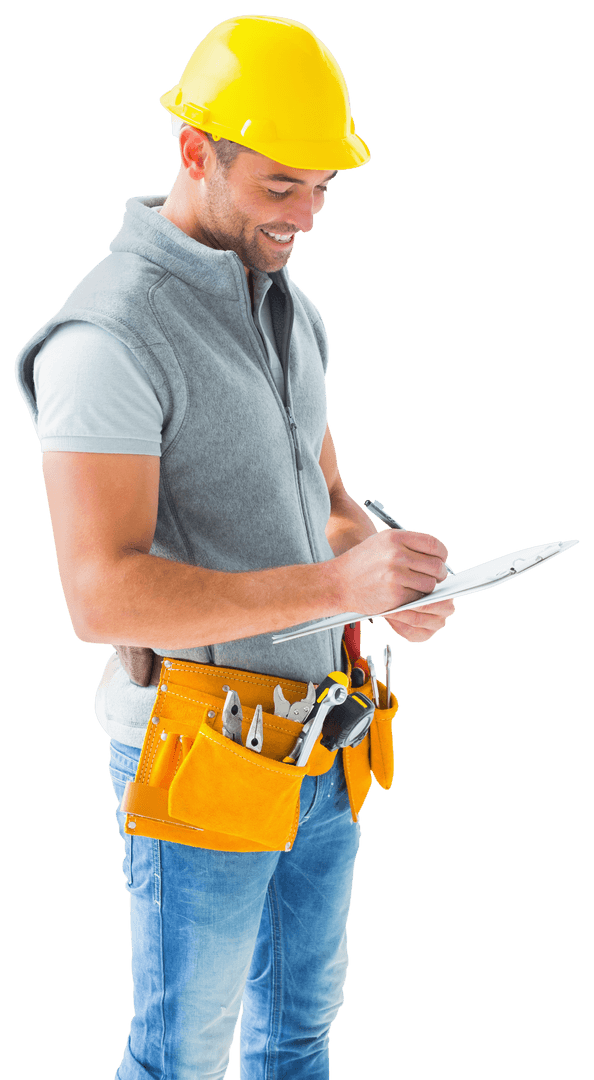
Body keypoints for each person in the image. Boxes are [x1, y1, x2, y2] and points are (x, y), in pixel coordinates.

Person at [15, 15, 455, 1080]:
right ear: (195, 153)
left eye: (323, 188)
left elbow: (328, 492)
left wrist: (383, 568)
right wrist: (335, 580)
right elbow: (100, 597)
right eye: (280, 186)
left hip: (323, 745)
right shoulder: (106, 336)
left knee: (297, 1038)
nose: (307, 214)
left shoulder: (290, 311)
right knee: (179, 1057)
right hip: (198, 753)